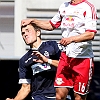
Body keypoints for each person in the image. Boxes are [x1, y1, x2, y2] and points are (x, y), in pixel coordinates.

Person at [21, 0, 97, 100]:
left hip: (82, 59)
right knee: (59, 96)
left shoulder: (88, 7)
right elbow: (51, 25)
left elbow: (91, 34)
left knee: (79, 97)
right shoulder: (64, 6)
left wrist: (71, 39)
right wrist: (33, 21)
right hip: (66, 58)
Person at [6, 23, 72, 100]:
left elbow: (68, 66)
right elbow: (25, 87)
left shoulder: (53, 46)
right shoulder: (24, 60)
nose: (25, 34)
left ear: (38, 32)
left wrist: (47, 61)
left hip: (60, 95)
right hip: (39, 97)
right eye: (23, 33)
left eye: (28, 31)